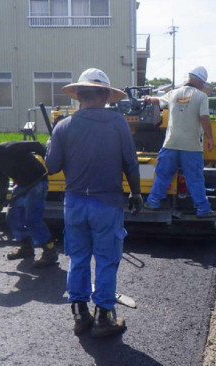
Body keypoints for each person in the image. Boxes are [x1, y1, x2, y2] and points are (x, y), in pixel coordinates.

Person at [45, 68, 143, 338]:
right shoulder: (117, 123)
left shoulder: (63, 126)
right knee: (106, 260)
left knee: (78, 258)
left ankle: (80, 315)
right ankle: (104, 318)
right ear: (104, 95)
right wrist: (136, 193)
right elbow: (130, 164)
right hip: (107, 203)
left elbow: (51, 166)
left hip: (74, 203)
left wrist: (50, 144)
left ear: (79, 96)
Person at [0, 135, 58, 267]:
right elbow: (1, 184)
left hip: (37, 183)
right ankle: (26, 247)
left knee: (32, 219)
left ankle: (50, 252)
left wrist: (51, 164)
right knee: (13, 217)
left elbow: (38, 146)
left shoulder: (10, 148)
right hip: (21, 186)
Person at [142, 66, 216, 217]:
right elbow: (204, 118)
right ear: (200, 82)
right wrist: (210, 138)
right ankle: (203, 210)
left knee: (162, 175)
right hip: (191, 147)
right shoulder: (201, 97)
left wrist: (148, 99)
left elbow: (158, 101)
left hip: (170, 144)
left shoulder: (173, 94)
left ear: (189, 78)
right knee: (195, 179)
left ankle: (152, 202)